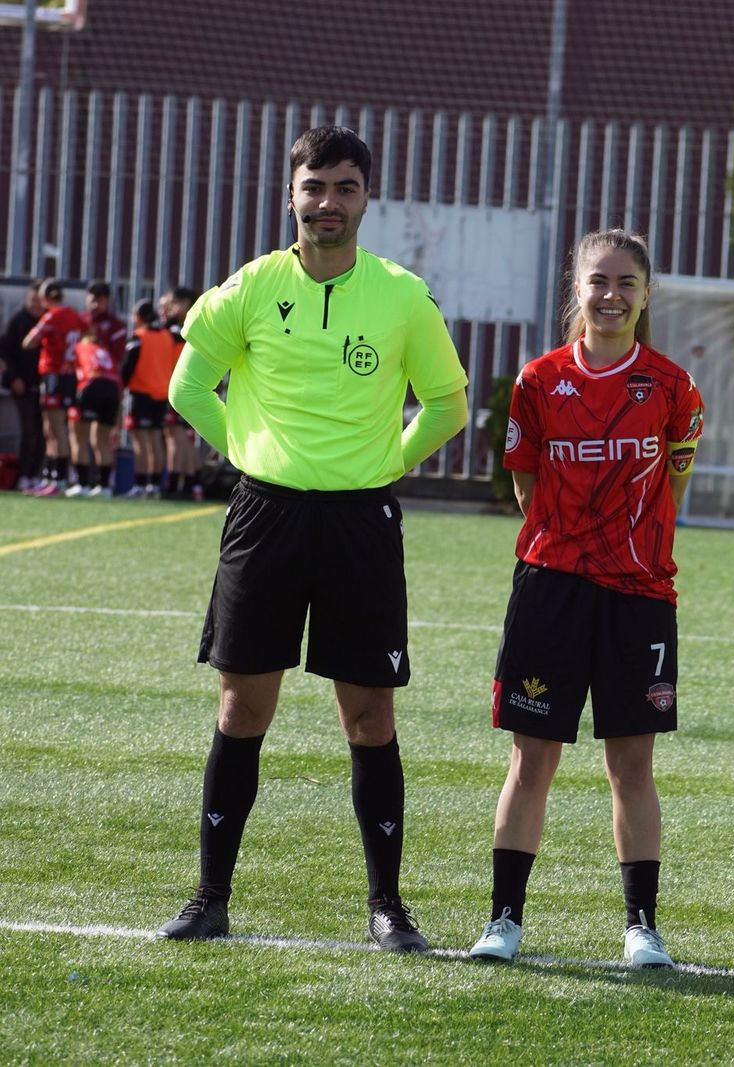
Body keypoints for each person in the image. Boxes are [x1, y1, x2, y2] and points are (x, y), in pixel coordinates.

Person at [157, 126, 469, 952]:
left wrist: (384, 466)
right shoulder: (251, 288)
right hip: (266, 518)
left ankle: (387, 907)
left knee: (369, 715)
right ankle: (209, 896)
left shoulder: (403, 295)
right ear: (290, 193)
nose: (327, 203)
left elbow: (448, 404)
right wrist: (251, 454)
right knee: (241, 706)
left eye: (344, 188)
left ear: (367, 197)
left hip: (361, 522)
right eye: (314, 187)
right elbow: (186, 384)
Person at [469, 229, 704, 969]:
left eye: (626, 282)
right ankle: (504, 919)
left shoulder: (673, 388)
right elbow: (525, 486)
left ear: (646, 291)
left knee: (631, 763)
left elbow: (673, 484)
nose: (611, 295)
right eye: (598, 281)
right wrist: (570, 542)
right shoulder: (537, 383)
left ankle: (642, 926)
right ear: (576, 288)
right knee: (530, 759)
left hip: (639, 594)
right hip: (552, 589)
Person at [20, 279, 86, 496]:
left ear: (45, 297)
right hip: (69, 375)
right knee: (58, 428)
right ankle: (53, 477)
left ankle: (57, 479)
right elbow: (89, 334)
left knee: (54, 429)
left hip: (54, 375)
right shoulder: (74, 315)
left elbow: (29, 342)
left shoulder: (52, 315)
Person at [121, 300, 178, 497]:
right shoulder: (166, 336)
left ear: (139, 317)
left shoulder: (139, 337)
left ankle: (139, 483)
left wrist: (122, 384)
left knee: (140, 440)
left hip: (141, 392)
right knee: (156, 439)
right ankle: (154, 484)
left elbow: (128, 367)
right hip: (162, 393)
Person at [63, 325, 123, 497]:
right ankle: (104, 487)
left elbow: (69, 369)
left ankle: (82, 484)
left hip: (90, 386)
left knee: (78, 438)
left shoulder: (78, 347)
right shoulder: (104, 351)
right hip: (112, 388)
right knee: (101, 441)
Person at [159, 286, 203, 500]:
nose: (167, 309)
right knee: (182, 435)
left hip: (183, 385)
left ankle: (176, 483)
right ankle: (193, 484)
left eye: (171, 304)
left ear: (185, 303)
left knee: (175, 435)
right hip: (193, 384)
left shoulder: (182, 327)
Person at [0, 281, 44, 491]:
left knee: (43, 431)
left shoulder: (48, 321)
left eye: (40, 301)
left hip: (44, 386)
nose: (36, 304)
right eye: (33, 300)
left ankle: (38, 474)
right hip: (22, 386)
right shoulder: (18, 321)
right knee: (28, 431)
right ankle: (23, 475)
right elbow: (4, 352)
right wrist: (13, 377)